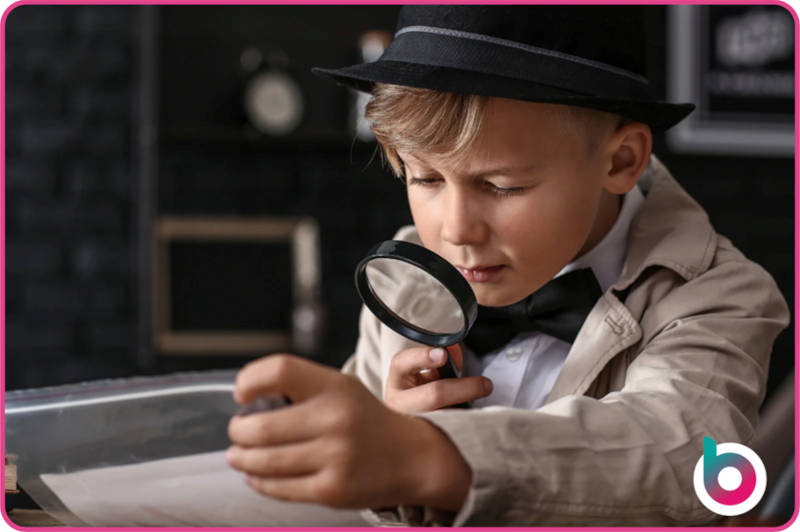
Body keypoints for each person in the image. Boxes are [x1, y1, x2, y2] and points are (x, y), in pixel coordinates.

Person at [225, 6, 790, 526]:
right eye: (424, 179)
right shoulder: (407, 277)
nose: (454, 230)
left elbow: (689, 459)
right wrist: (386, 475)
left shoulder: (719, 294)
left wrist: (426, 455)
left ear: (620, 161)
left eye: (501, 186)